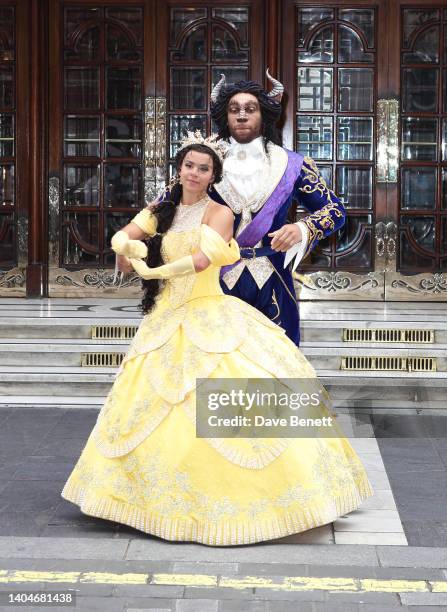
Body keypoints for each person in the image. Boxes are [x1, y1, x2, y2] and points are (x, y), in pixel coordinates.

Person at [61, 134, 372, 546]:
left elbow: (203, 261)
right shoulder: (162, 209)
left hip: (206, 309)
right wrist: (125, 245)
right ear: (179, 169)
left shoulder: (220, 212)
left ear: (213, 176)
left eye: (203, 168)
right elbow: (126, 235)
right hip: (164, 318)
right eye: (189, 165)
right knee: (151, 403)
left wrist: (152, 271)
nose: (194, 173)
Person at [209, 71, 346, 346]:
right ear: (226, 116)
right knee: (218, 366)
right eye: (234, 109)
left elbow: (335, 211)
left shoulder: (292, 165)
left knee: (276, 365)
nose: (242, 115)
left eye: (250, 109)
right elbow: (168, 208)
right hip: (214, 279)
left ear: (265, 115)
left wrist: (302, 228)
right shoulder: (203, 160)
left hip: (274, 279)